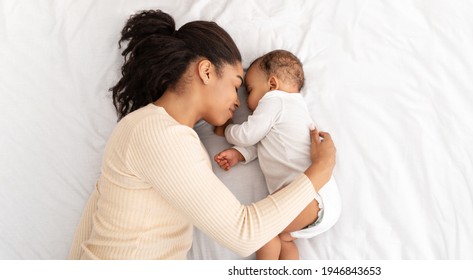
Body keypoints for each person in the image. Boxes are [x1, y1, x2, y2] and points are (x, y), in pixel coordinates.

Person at [67, 10, 335, 260]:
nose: (238, 101)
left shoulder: (148, 128)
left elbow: (92, 222)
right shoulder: (159, 134)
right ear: (206, 71)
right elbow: (244, 234)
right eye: (236, 85)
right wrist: (321, 169)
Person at [214, 50, 341, 260]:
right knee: (283, 239)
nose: (247, 102)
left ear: (272, 84)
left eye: (251, 90)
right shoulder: (295, 110)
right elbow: (265, 144)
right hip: (324, 202)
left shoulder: (275, 101)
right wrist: (239, 154)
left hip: (311, 198)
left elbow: (248, 135)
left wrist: (227, 129)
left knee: (264, 230)